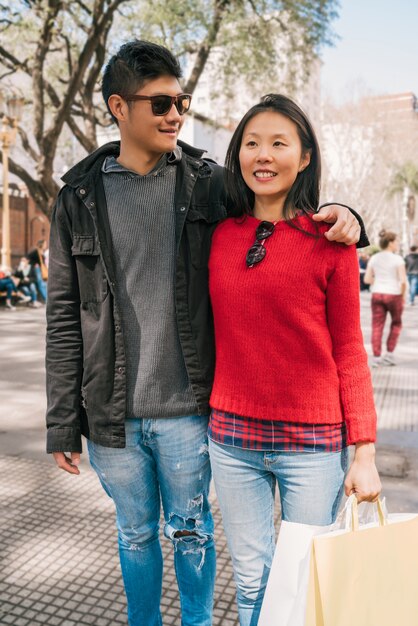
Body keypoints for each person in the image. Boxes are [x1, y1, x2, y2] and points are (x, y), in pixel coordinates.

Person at [45, 41, 367, 626]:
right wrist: (63, 420)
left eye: (183, 101)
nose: (176, 114)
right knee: (136, 535)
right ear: (119, 107)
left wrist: (346, 213)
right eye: (162, 102)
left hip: (191, 409)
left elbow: (274, 201)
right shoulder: (78, 198)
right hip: (111, 413)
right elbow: (64, 315)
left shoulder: (206, 183)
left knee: (192, 533)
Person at [207, 94, 381, 626]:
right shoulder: (218, 234)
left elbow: (350, 348)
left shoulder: (331, 241)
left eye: (279, 143)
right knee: (253, 578)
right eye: (251, 143)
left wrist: (365, 452)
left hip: (313, 446)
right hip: (231, 443)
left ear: (304, 157)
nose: (263, 154)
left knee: (306, 581)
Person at [364, 230, 407, 367]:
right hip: (394, 294)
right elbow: (403, 281)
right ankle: (389, 355)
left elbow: (367, 279)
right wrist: (403, 296)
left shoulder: (374, 258)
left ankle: (376, 358)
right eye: (396, 242)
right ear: (390, 243)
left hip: (377, 293)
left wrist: (378, 280)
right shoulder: (398, 259)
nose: (398, 245)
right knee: (396, 324)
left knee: (377, 326)